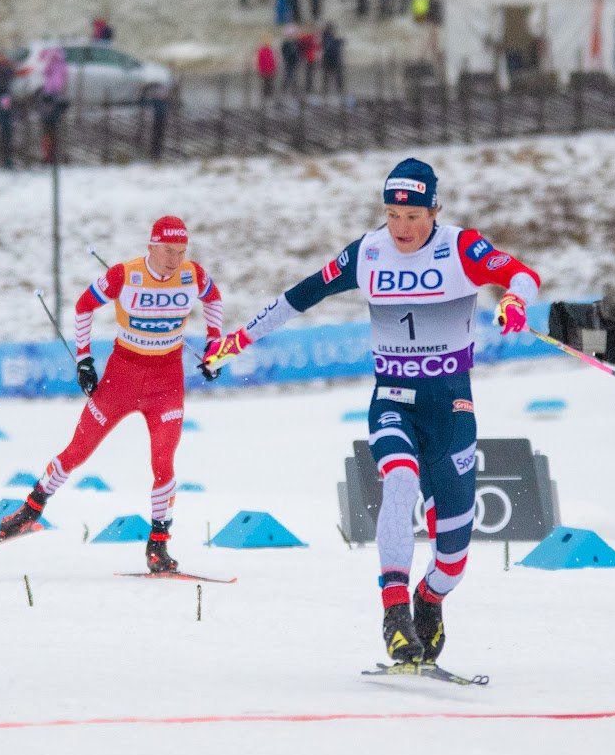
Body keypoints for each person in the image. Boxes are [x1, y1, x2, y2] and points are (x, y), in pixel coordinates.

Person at [208, 159, 541, 670]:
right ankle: (393, 615)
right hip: (392, 400)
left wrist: (515, 299)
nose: (402, 229)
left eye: (412, 216)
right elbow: (302, 295)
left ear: (434, 209)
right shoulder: (367, 252)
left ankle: (428, 600)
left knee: (453, 554)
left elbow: (521, 273)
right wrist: (238, 339)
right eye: (392, 215)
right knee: (400, 480)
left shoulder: (461, 247)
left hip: (451, 406)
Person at [0, 217, 226, 573]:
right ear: (151, 246)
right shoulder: (125, 274)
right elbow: (83, 306)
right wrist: (84, 360)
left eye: (181, 252)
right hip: (122, 379)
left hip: (167, 383)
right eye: (167, 251)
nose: (174, 259)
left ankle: (158, 546)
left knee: (163, 464)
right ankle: (31, 509)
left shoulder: (192, 275)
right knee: (77, 452)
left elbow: (214, 299)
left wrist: (214, 346)